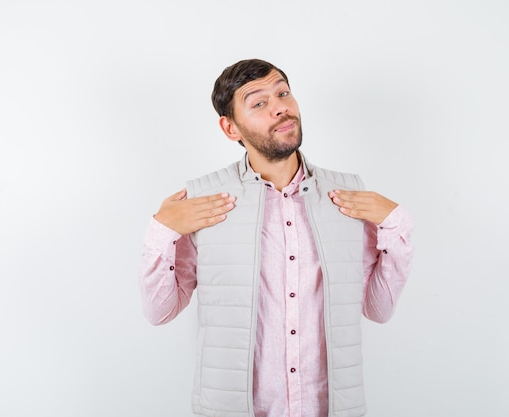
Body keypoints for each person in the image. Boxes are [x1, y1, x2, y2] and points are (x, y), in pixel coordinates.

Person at [138, 58, 414, 417]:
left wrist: (397, 225)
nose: (281, 107)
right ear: (230, 128)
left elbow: (378, 309)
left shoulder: (348, 195)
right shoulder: (202, 201)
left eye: (283, 92)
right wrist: (162, 230)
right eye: (259, 103)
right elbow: (160, 311)